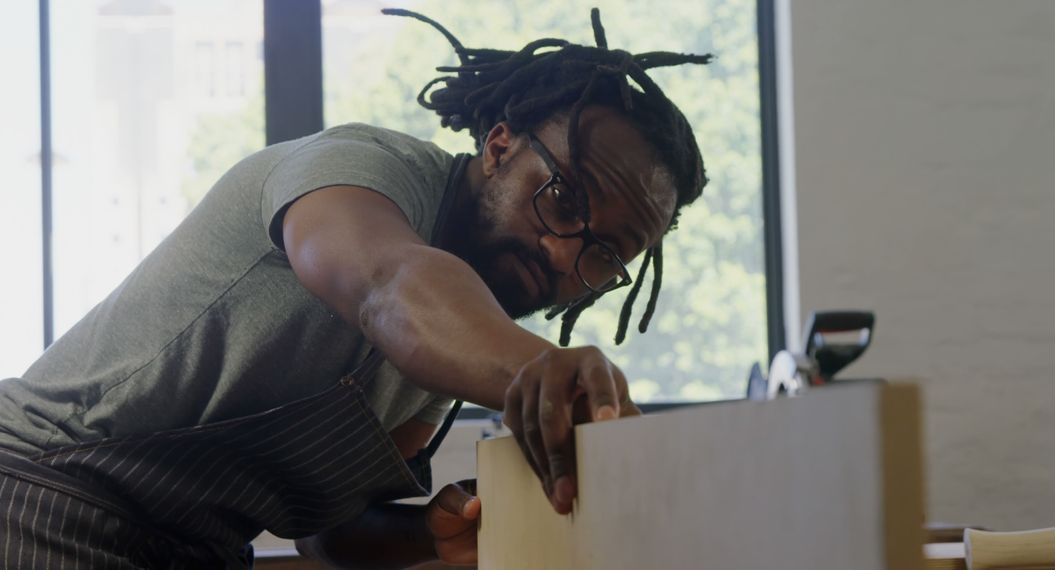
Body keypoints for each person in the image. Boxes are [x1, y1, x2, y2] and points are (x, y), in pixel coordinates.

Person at [0, 7, 708, 569]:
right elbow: (387, 285)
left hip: (190, 549)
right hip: (41, 498)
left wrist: (434, 533)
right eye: (562, 198)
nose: (562, 252)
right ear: (499, 147)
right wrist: (546, 372)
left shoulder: (452, 349)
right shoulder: (358, 169)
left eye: (604, 255)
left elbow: (328, 533)